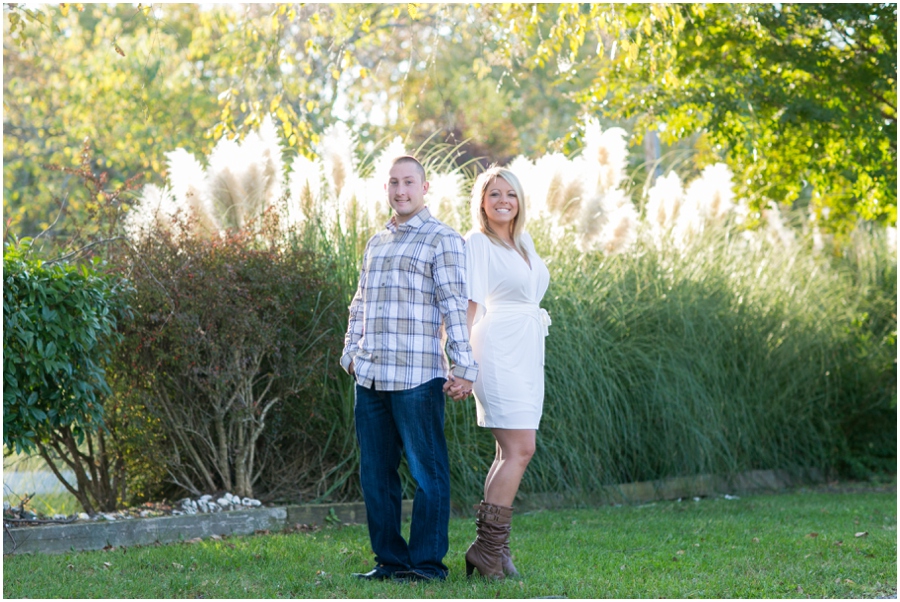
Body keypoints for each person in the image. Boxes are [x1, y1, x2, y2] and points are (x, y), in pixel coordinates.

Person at [341, 155, 477, 582]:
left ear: (425, 187)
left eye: (409, 183)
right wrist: (350, 352)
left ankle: (426, 565)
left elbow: (454, 306)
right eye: (394, 183)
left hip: (418, 376)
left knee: (427, 473)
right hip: (372, 376)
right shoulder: (376, 242)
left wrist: (464, 364)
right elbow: (359, 302)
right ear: (386, 189)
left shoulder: (443, 240)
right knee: (376, 476)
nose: (401, 191)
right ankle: (389, 561)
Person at [456, 166, 551, 579]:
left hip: (527, 350)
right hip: (496, 349)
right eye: (494, 194)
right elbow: (471, 301)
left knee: (506, 451)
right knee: (520, 449)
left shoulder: (524, 241)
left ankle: (493, 548)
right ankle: (488, 549)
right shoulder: (477, 241)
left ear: (519, 201)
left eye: (510, 194)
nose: (503, 201)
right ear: (482, 201)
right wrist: (459, 359)